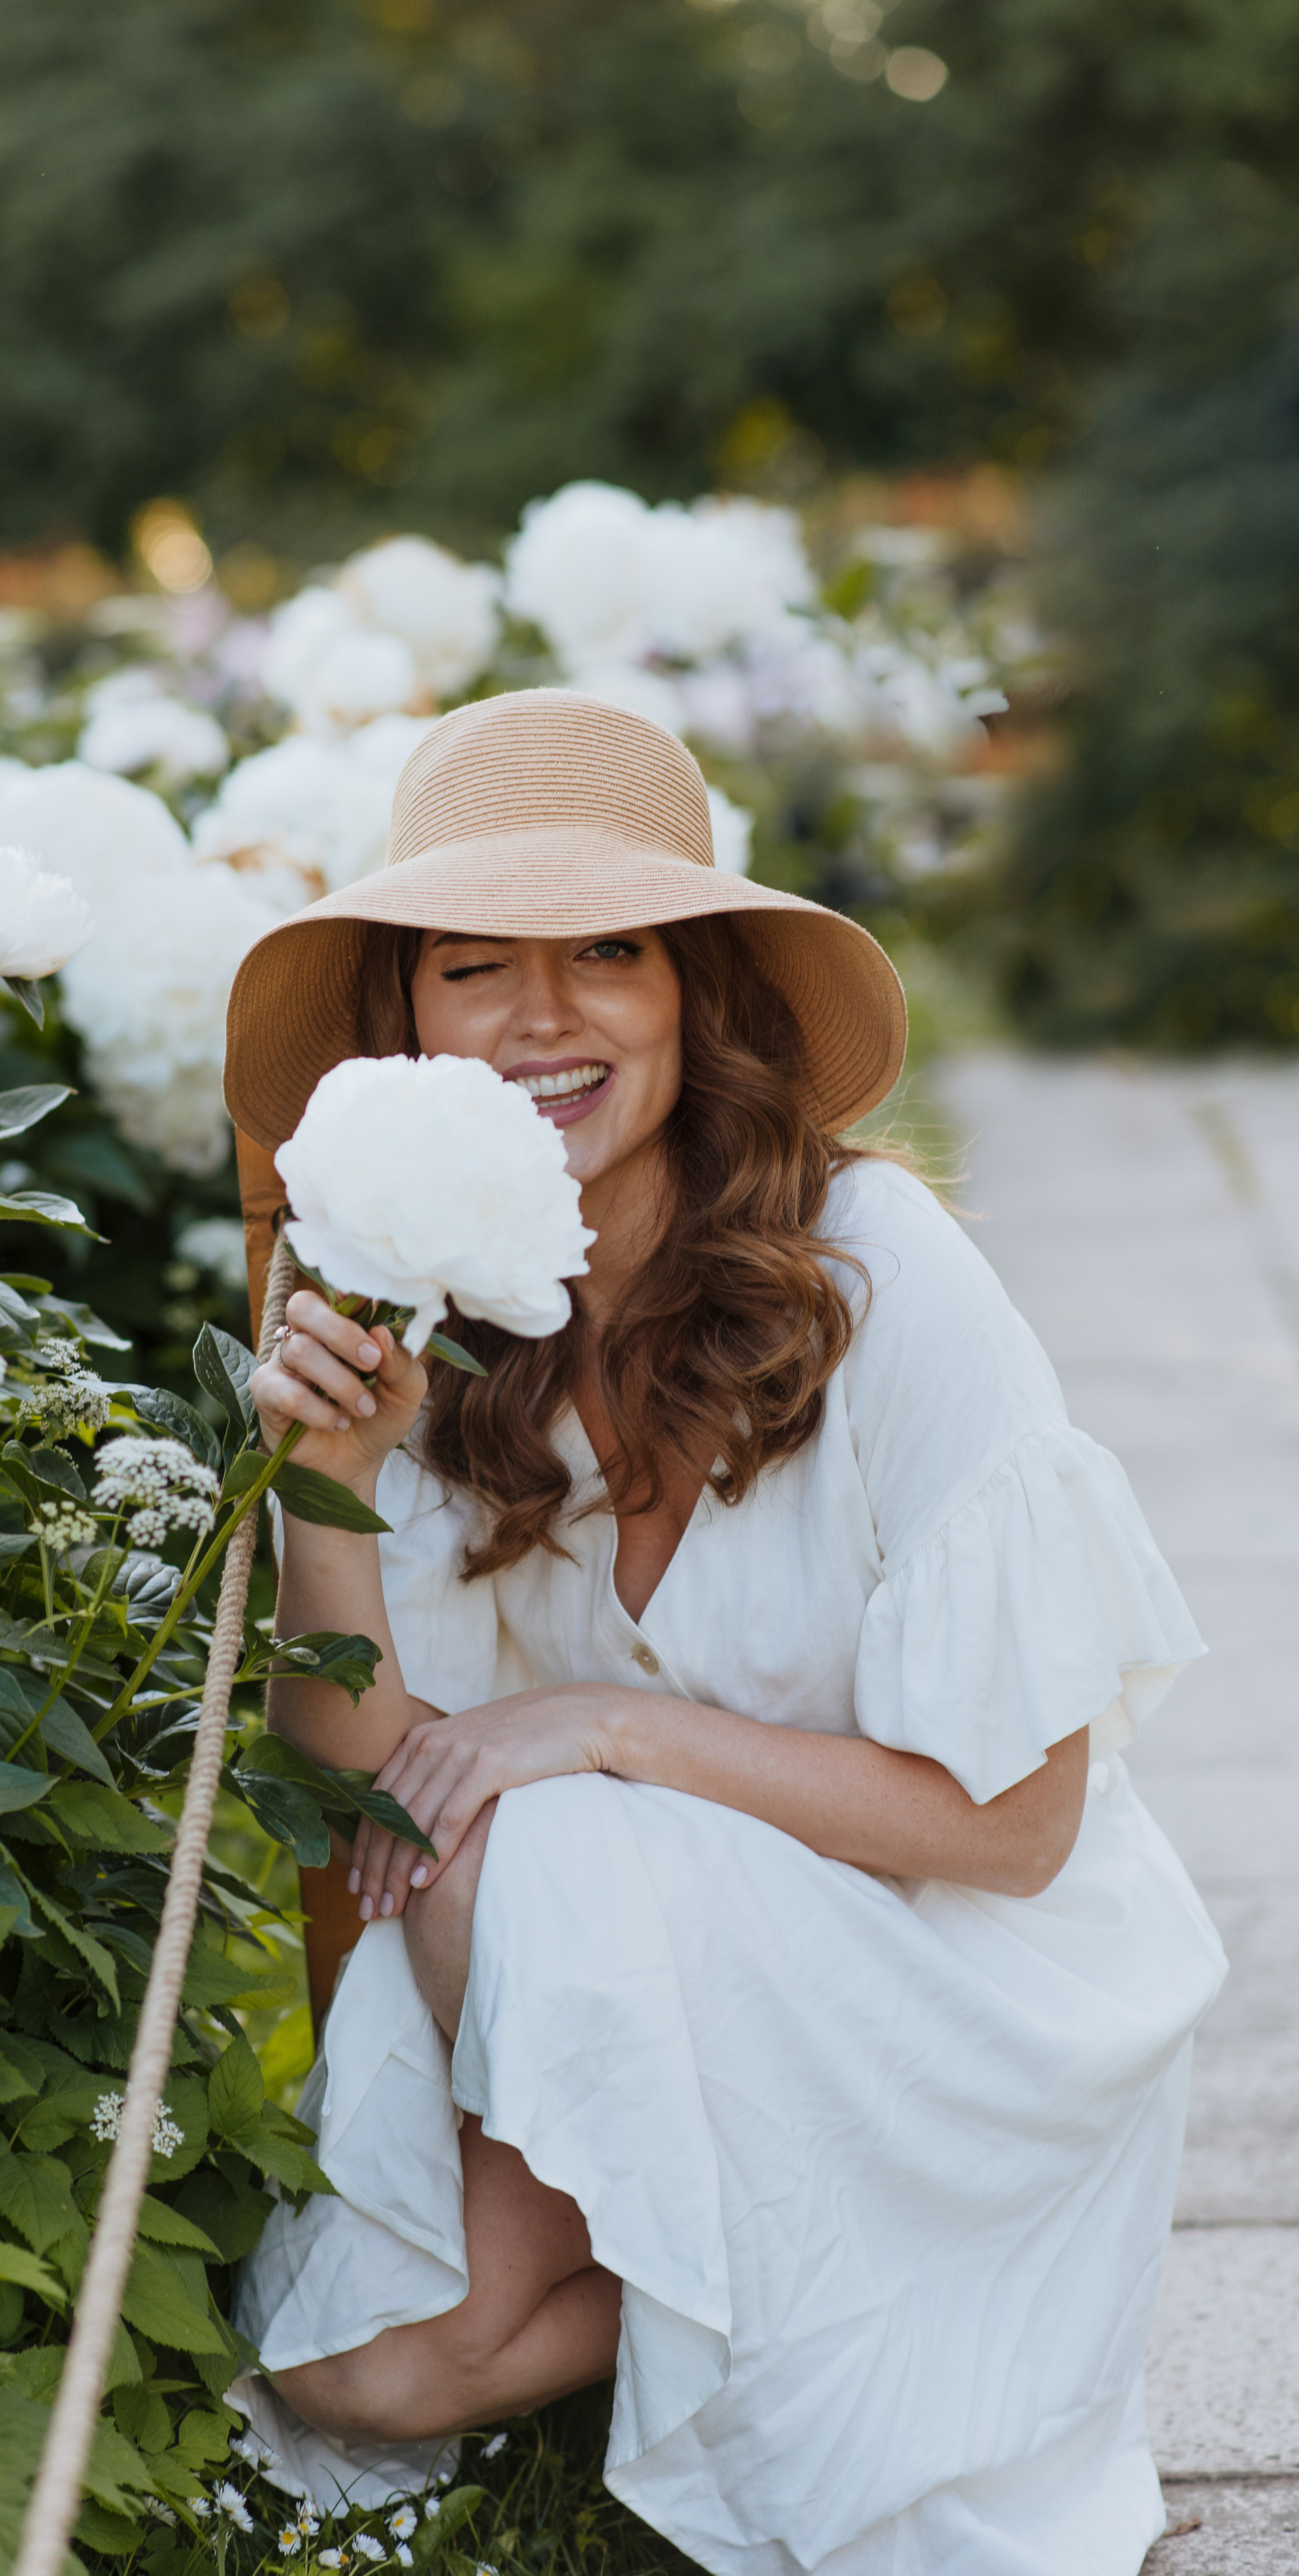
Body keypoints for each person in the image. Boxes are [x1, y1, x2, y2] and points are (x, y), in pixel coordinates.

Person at [219, 690, 1226, 2575]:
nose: (543, 1018)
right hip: (621, 1990)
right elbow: (373, 1815)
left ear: (692, 991)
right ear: (406, 1023)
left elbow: (1020, 1828)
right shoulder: (401, 1315)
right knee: (360, 2369)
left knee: (554, 1821)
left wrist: (606, 1727)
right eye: (473, 965)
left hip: (968, 2002)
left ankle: (925, 2263)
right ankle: (798, 2275)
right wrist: (328, 1493)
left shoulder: (883, 1271)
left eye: (609, 949)